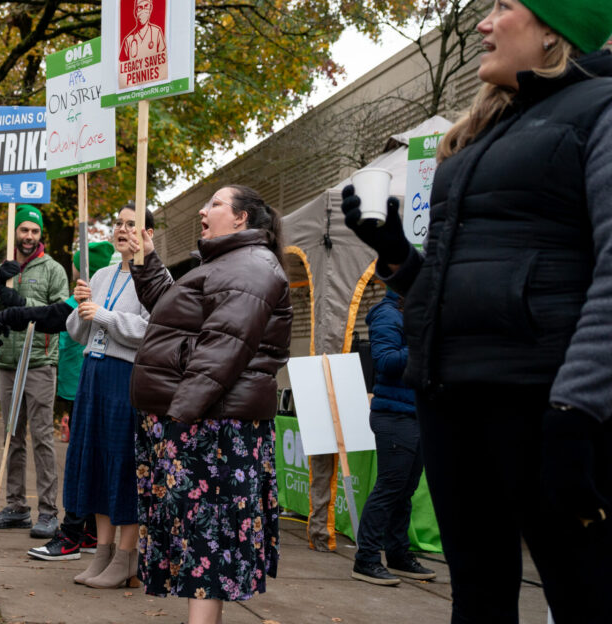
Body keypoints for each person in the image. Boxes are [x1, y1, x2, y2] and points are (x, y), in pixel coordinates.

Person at [340, 2, 612, 619]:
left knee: (585, 599)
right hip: (452, 401)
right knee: (478, 601)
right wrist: (394, 255)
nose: (483, 24)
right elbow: (444, 290)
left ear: (552, 28)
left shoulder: (602, 110)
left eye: (503, 7)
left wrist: (578, 409)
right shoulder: (477, 137)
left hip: (545, 406)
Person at [129, 186, 291, 624]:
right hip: (207, 420)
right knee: (202, 543)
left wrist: (179, 417)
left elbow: (224, 350)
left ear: (241, 219)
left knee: (208, 543)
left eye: (215, 203)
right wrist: (146, 262)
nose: (203, 210)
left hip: (214, 427)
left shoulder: (251, 267)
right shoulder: (227, 263)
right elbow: (174, 313)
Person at [0, 241, 118, 562]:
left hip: (100, 383)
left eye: (77, 265)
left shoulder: (102, 288)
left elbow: (53, 313)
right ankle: (86, 529)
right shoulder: (90, 289)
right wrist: (8, 311)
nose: (74, 271)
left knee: (88, 458)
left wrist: (13, 309)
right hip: (80, 383)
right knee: (85, 456)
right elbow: (57, 315)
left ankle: (77, 530)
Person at [63, 206, 154, 589]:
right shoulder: (100, 275)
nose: (122, 229)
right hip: (93, 373)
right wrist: (83, 308)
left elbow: (152, 330)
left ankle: (126, 556)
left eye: (131, 224)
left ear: (147, 233)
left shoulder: (153, 277)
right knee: (96, 461)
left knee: (123, 462)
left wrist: (104, 315)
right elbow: (76, 333)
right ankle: (102, 552)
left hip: (125, 376)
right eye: (118, 223)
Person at [0, 205, 69, 539]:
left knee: (42, 437)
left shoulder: (53, 270)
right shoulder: (0, 268)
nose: (28, 236)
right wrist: (0, 283)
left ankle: (48, 511)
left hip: (39, 362)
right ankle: (16, 506)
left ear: (40, 234)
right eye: (23, 230)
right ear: (15, 233)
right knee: (11, 437)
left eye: (34, 231)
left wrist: (21, 298)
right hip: (7, 362)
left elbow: (60, 313)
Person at [351, 289, 436, 586]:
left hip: (415, 415)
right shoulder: (387, 315)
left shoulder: (414, 314)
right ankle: (366, 559)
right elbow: (386, 361)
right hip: (394, 416)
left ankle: (398, 555)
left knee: (405, 490)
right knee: (389, 489)